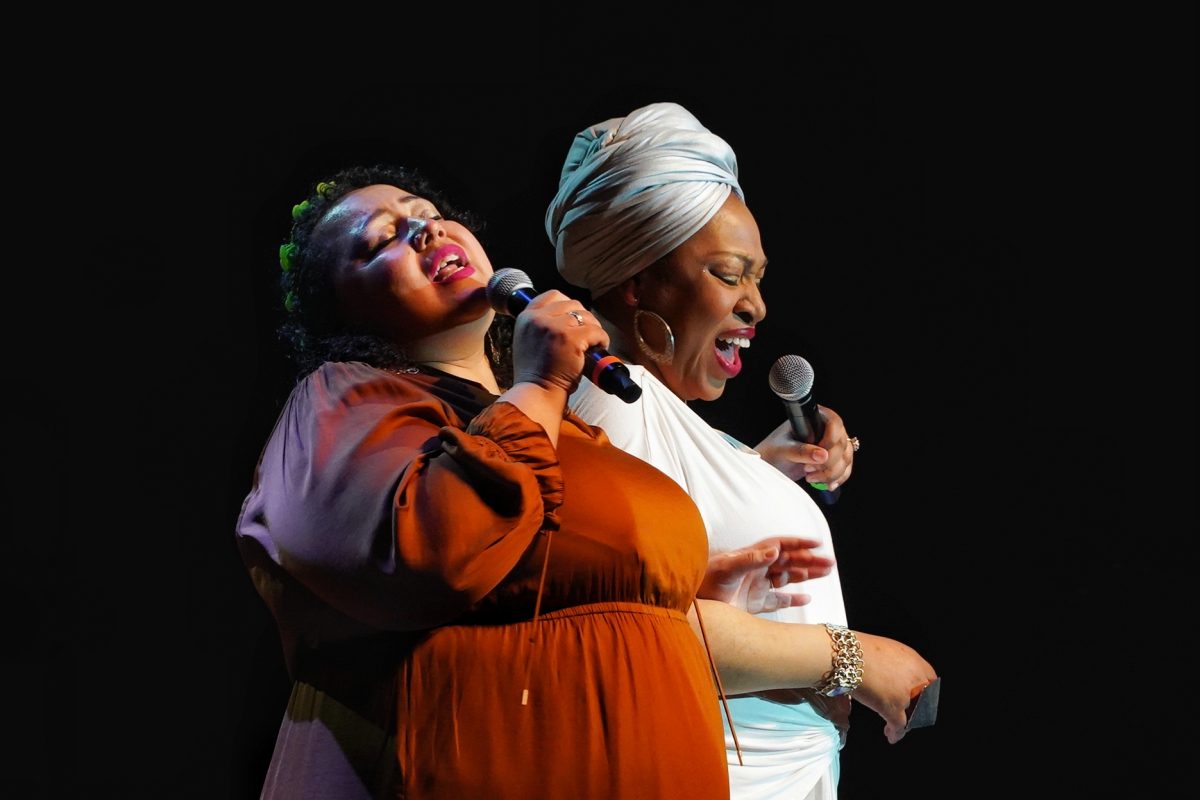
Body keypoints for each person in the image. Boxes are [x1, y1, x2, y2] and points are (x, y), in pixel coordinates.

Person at [234, 164, 912, 799]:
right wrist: (537, 382)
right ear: (344, 315)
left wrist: (684, 591)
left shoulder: (556, 425)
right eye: (382, 239)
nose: (425, 229)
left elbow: (553, 580)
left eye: (428, 213)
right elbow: (432, 548)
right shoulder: (341, 400)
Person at [545, 102, 938, 799]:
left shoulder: (655, 414)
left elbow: (682, 549)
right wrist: (855, 661)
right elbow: (631, 632)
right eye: (730, 276)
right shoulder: (611, 398)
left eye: (758, 278)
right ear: (639, 281)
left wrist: (756, 468)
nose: (756, 305)